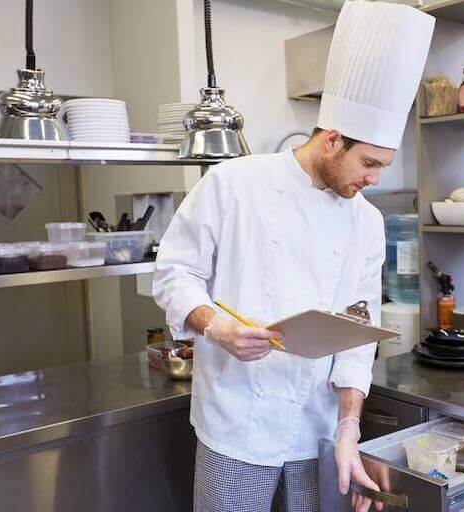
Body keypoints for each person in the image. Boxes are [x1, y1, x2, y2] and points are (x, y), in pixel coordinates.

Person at [152, 2, 434, 511]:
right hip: (236, 425)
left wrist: (348, 428)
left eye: (383, 167)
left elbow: (357, 332)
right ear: (332, 140)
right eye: (369, 163)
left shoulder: (367, 221)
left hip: (315, 428)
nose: (374, 179)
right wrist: (218, 328)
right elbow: (174, 274)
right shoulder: (233, 184)